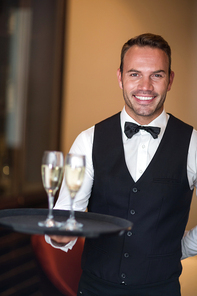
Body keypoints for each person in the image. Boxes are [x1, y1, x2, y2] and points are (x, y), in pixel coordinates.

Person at [46, 33, 197, 296]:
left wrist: (184, 247)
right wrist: (59, 235)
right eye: (135, 74)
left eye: (157, 75)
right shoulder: (87, 141)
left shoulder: (193, 143)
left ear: (170, 80)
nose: (145, 87)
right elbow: (66, 217)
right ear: (120, 77)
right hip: (95, 289)